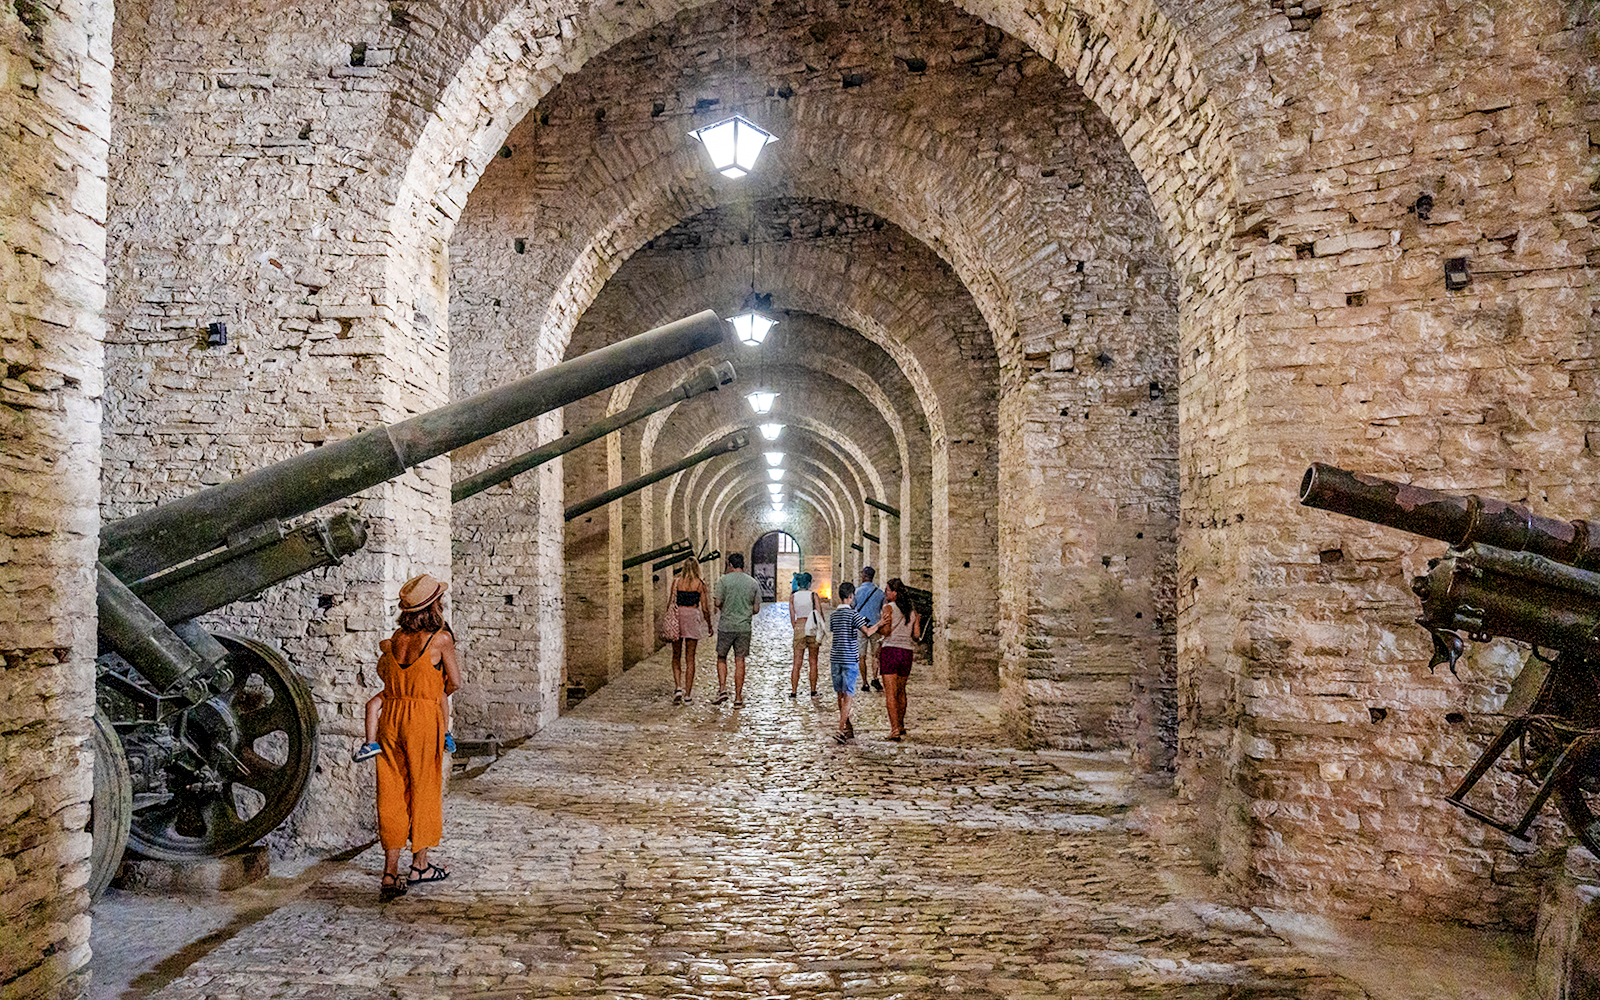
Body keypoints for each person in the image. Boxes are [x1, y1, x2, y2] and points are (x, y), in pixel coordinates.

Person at [370, 573, 462, 900]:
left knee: (392, 789)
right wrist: (434, 691)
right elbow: (455, 682)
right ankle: (420, 864)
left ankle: (389, 871)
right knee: (423, 786)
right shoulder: (440, 640)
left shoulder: (395, 639)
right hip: (423, 718)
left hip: (391, 718)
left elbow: (386, 678)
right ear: (434, 605)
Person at [874, 577, 922, 741]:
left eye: (888, 590)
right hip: (906, 652)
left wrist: (879, 626)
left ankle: (894, 729)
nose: (886, 593)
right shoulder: (912, 612)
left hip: (891, 651)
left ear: (894, 592)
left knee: (890, 694)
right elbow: (916, 635)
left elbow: (886, 631)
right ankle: (901, 725)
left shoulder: (888, 608)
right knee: (901, 691)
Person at [713, 552, 761, 707]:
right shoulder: (753, 583)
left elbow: (718, 602)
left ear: (730, 565)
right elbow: (756, 609)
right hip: (743, 627)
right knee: (740, 660)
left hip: (726, 625)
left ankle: (722, 689)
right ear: (743, 565)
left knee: (721, 658)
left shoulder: (723, 580)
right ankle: (738, 698)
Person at [827, 581, 872, 743]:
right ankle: (841, 729)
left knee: (840, 694)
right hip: (850, 658)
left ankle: (847, 726)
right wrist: (879, 624)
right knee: (848, 695)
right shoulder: (854, 615)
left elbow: (835, 630)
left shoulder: (833, 616)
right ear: (851, 596)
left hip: (836, 657)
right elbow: (866, 632)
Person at [667, 556, 713, 704]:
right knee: (690, 658)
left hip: (678, 616)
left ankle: (678, 687)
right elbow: (705, 608)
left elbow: (670, 602)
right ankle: (688, 695)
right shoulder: (700, 584)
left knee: (676, 655)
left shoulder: (676, 582)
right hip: (692, 617)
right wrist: (709, 624)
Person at [853, 566, 887, 692]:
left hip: (861, 627)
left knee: (861, 656)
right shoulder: (879, 592)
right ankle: (875, 677)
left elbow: (852, 607)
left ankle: (864, 682)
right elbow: (884, 609)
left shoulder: (857, 592)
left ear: (863, 576)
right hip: (876, 626)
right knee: (876, 654)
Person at [789, 571, 822, 698]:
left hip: (800, 625)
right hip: (812, 626)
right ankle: (813, 690)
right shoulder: (813, 595)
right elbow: (818, 612)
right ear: (809, 583)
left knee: (797, 661)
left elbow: (792, 616)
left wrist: (796, 628)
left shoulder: (793, 597)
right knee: (813, 661)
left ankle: (794, 691)